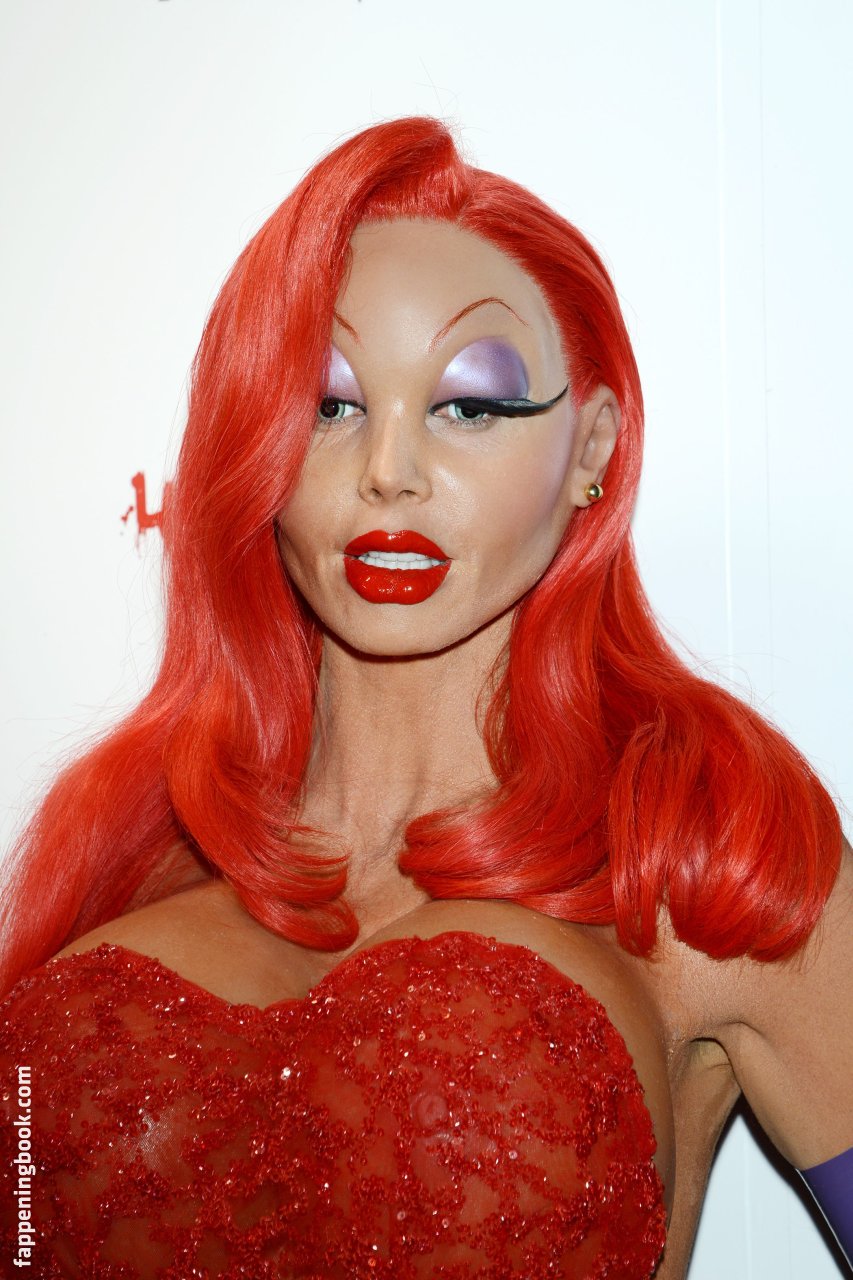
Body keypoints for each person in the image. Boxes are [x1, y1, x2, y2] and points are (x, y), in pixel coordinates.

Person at [0, 116, 849, 1279]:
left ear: (592, 447)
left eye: (470, 405)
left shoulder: (707, 859)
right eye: (329, 403)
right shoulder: (128, 852)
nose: (387, 471)